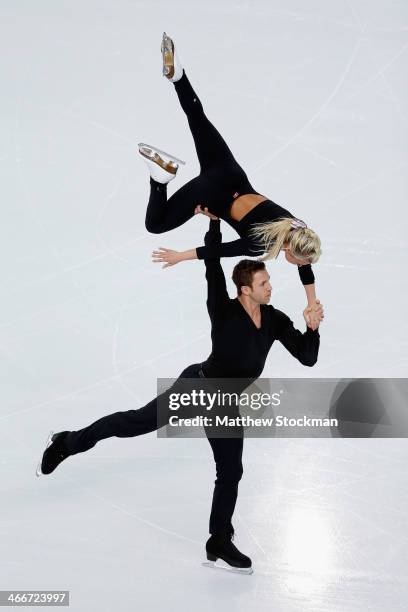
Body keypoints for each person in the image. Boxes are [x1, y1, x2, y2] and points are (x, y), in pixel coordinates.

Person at [36, 217, 323, 575]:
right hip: (197, 387)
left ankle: (219, 540)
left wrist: (312, 328)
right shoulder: (223, 309)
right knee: (134, 422)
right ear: (244, 289)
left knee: (230, 471)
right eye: (263, 283)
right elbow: (213, 264)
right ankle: (67, 441)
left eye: (269, 282)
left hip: (224, 404)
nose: (270, 288)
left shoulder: (276, 319)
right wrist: (215, 224)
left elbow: (308, 357)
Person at [139, 32, 322, 309]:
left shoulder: (294, 224)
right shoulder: (260, 246)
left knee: (198, 119)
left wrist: (312, 301)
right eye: (301, 260)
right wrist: (180, 256)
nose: (303, 265)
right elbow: (215, 251)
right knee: (156, 224)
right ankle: (160, 178)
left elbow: (303, 261)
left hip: (229, 171)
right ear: (291, 252)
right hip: (212, 192)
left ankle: (178, 76)